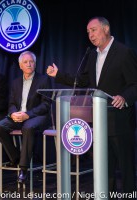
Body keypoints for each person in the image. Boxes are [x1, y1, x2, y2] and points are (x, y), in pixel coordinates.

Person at [46, 16, 137, 195]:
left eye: (93, 30)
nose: (90, 35)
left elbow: (134, 83)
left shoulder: (124, 52)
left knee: (126, 171)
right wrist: (59, 75)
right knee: (105, 170)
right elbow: (82, 81)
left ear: (106, 29)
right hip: (99, 121)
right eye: (88, 32)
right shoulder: (92, 54)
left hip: (120, 121)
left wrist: (124, 97)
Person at [0, 51, 52, 183]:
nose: (29, 64)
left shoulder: (43, 80)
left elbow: (46, 105)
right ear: (20, 66)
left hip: (37, 116)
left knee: (28, 128)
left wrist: (28, 115)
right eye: (25, 62)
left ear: (35, 63)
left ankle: (23, 168)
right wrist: (13, 113)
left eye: (31, 61)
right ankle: (16, 158)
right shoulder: (15, 82)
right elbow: (12, 103)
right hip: (19, 116)